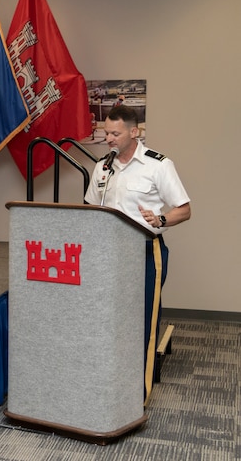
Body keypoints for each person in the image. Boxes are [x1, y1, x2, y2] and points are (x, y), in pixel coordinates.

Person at [84, 105, 191, 404]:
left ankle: (137, 395)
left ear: (134, 132)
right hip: (107, 254)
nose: (109, 138)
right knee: (105, 318)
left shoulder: (158, 165)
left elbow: (184, 209)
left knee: (143, 320)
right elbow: (90, 208)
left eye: (115, 133)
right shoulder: (103, 167)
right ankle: (105, 381)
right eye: (106, 132)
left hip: (144, 250)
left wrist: (162, 220)